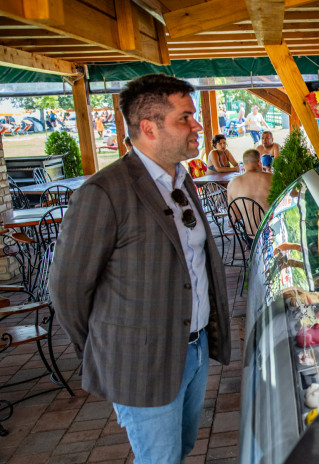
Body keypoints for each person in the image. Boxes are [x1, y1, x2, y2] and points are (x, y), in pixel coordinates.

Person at [49, 73, 231, 463]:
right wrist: (110, 352)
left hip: (195, 349)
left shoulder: (183, 179)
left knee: (178, 449)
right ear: (148, 127)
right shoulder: (103, 193)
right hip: (143, 362)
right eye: (185, 118)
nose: (197, 125)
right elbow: (67, 290)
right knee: (160, 459)